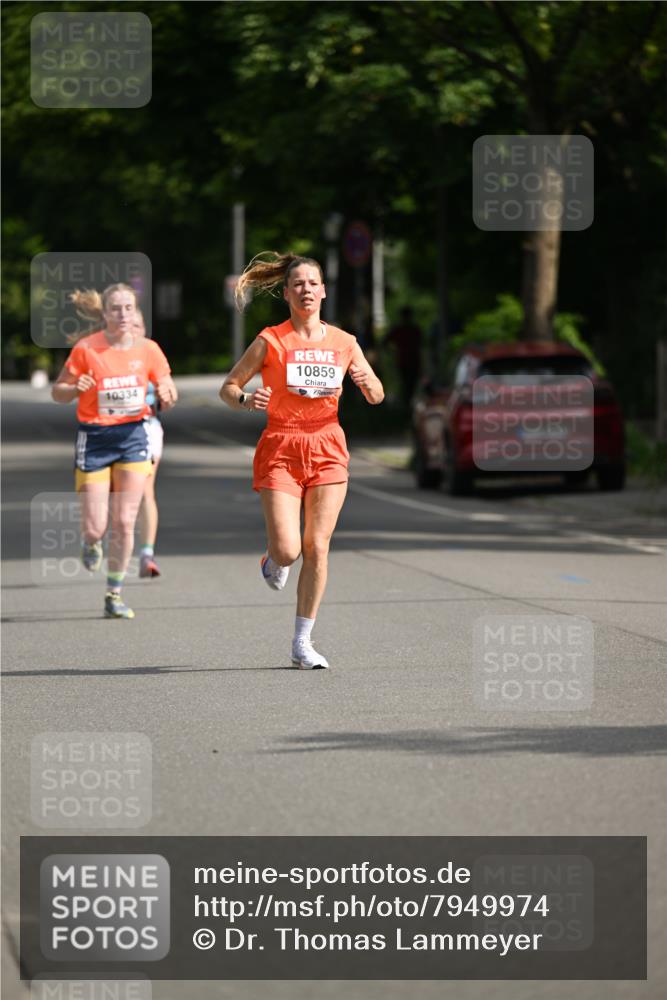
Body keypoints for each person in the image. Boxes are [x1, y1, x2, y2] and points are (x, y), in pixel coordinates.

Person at [220, 252, 384, 670]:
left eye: (313, 283)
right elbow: (229, 386)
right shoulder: (271, 340)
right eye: (298, 284)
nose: (306, 289)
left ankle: (302, 642)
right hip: (281, 445)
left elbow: (377, 394)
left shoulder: (344, 342)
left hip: (328, 444)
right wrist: (243, 399)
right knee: (290, 549)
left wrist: (368, 383)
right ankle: (273, 559)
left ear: (323, 291)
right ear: (287, 293)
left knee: (318, 545)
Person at [52, 284, 177, 618]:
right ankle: (90, 541)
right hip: (94, 438)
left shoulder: (148, 349)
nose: (122, 314)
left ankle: (114, 593)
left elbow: (168, 388)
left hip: (133, 437)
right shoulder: (86, 349)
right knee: (96, 527)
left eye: (128, 308)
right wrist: (72, 388)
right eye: (115, 309)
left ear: (135, 311)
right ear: (104, 314)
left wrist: (167, 390)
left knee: (124, 521)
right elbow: (58, 392)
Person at [134, 312, 164, 579]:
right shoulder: (101, 354)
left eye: (138, 324)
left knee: (145, 490)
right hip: (107, 435)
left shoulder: (150, 354)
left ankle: (146, 554)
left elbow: (169, 389)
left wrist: (167, 393)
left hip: (147, 429)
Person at [385, 306, 423, 405]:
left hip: (406, 361)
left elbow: (385, 342)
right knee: (409, 385)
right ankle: (408, 404)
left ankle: (407, 404)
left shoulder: (400, 329)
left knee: (407, 384)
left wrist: (392, 352)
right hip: (410, 361)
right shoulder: (413, 329)